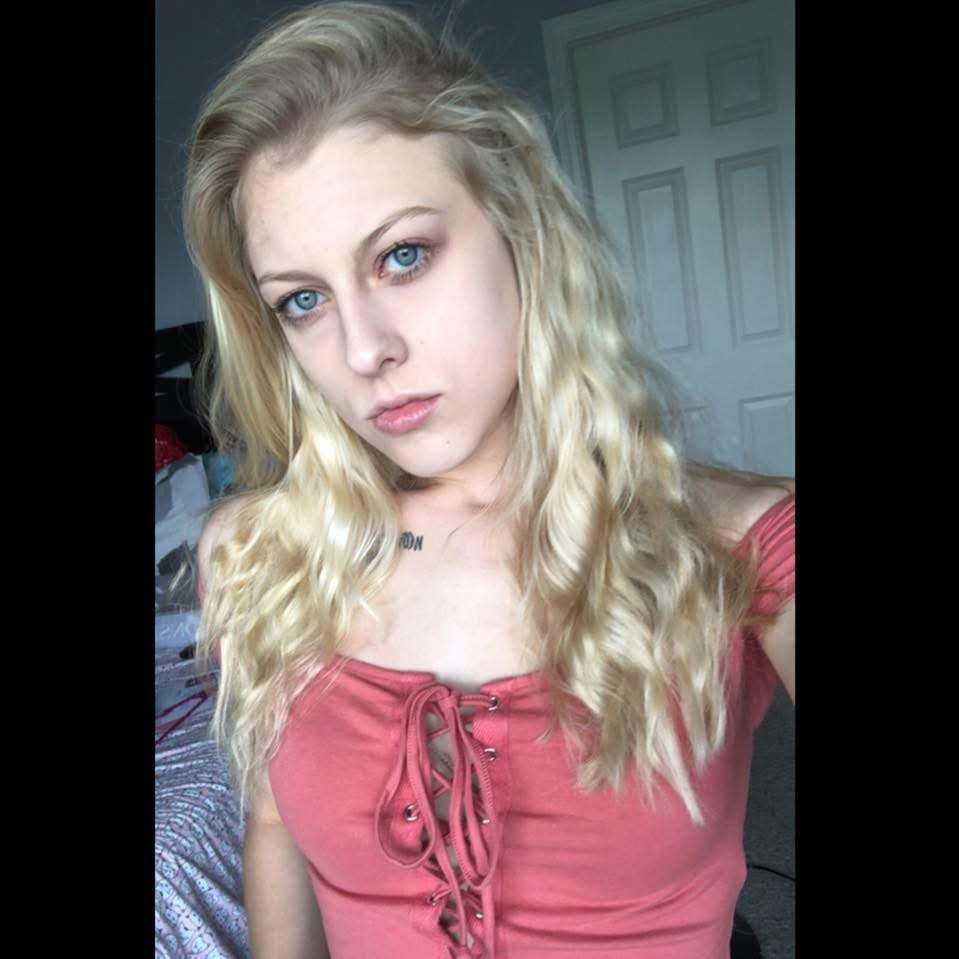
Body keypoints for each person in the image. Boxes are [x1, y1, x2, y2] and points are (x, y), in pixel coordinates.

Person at [184, 3, 795, 957]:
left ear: (521, 232)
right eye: (303, 300)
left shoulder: (739, 547)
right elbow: (274, 829)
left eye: (403, 256)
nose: (364, 349)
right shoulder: (258, 556)